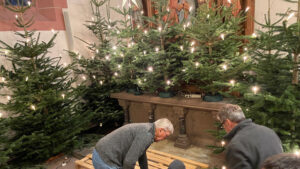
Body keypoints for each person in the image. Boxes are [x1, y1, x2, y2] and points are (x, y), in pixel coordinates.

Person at [217, 104, 283, 169]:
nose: (224, 128)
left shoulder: (236, 144)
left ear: (228, 122)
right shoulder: (269, 131)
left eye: (222, 125)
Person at [92, 118, 174, 169]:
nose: (164, 139)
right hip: (105, 159)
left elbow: (141, 153)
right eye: (165, 136)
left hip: (101, 153)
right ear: (160, 130)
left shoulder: (149, 130)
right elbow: (129, 162)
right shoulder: (147, 134)